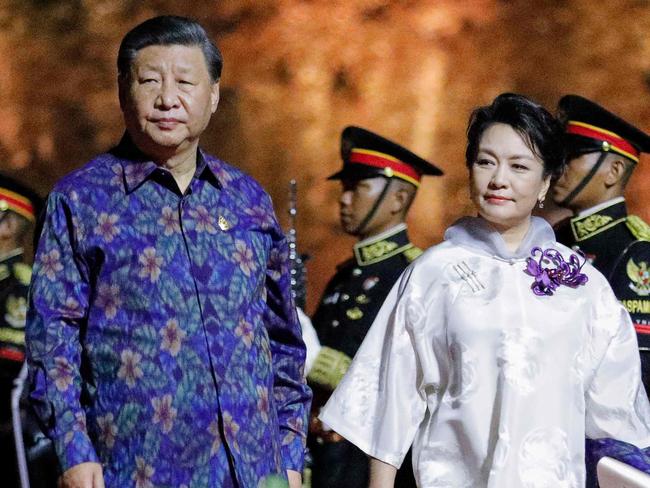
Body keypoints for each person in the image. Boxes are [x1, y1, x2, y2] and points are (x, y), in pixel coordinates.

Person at [25, 15, 310, 488]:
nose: (166, 99)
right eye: (150, 81)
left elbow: (282, 336)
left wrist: (292, 450)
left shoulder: (247, 199)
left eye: (185, 81)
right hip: (134, 467)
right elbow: (52, 337)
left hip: (256, 468)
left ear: (214, 94)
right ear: (123, 90)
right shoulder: (80, 200)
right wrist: (73, 450)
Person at [320, 93, 650, 487]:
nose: (498, 179)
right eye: (485, 162)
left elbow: (617, 418)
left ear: (546, 181)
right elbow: (388, 399)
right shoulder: (433, 273)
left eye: (518, 166)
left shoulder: (583, 286)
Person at [307, 126, 442, 488]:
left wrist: (316, 360)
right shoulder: (346, 274)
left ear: (398, 199)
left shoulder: (413, 275)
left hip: (367, 465)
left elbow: (399, 382)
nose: (344, 199)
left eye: (357, 188)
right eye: (344, 188)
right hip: (323, 457)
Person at [552, 94, 650, 395]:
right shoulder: (554, 241)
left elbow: (636, 372)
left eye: (572, 156)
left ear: (614, 171)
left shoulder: (634, 252)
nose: (559, 168)